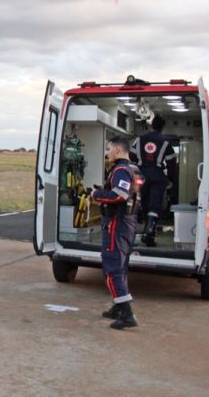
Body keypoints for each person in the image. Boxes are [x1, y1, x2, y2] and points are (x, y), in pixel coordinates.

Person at [90, 136, 139, 329]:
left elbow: (120, 195)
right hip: (127, 223)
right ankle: (118, 306)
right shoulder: (132, 169)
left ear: (118, 150)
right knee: (120, 267)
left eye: (109, 149)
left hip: (116, 225)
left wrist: (97, 195)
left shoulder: (119, 170)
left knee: (112, 268)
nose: (107, 152)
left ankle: (127, 314)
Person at [131, 114, 176, 247]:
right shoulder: (166, 141)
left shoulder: (140, 138)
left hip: (141, 175)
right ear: (162, 127)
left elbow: (132, 155)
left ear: (151, 125)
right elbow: (171, 162)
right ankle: (148, 233)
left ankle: (135, 232)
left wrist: (140, 163)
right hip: (157, 176)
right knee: (154, 205)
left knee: (140, 202)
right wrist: (170, 179)